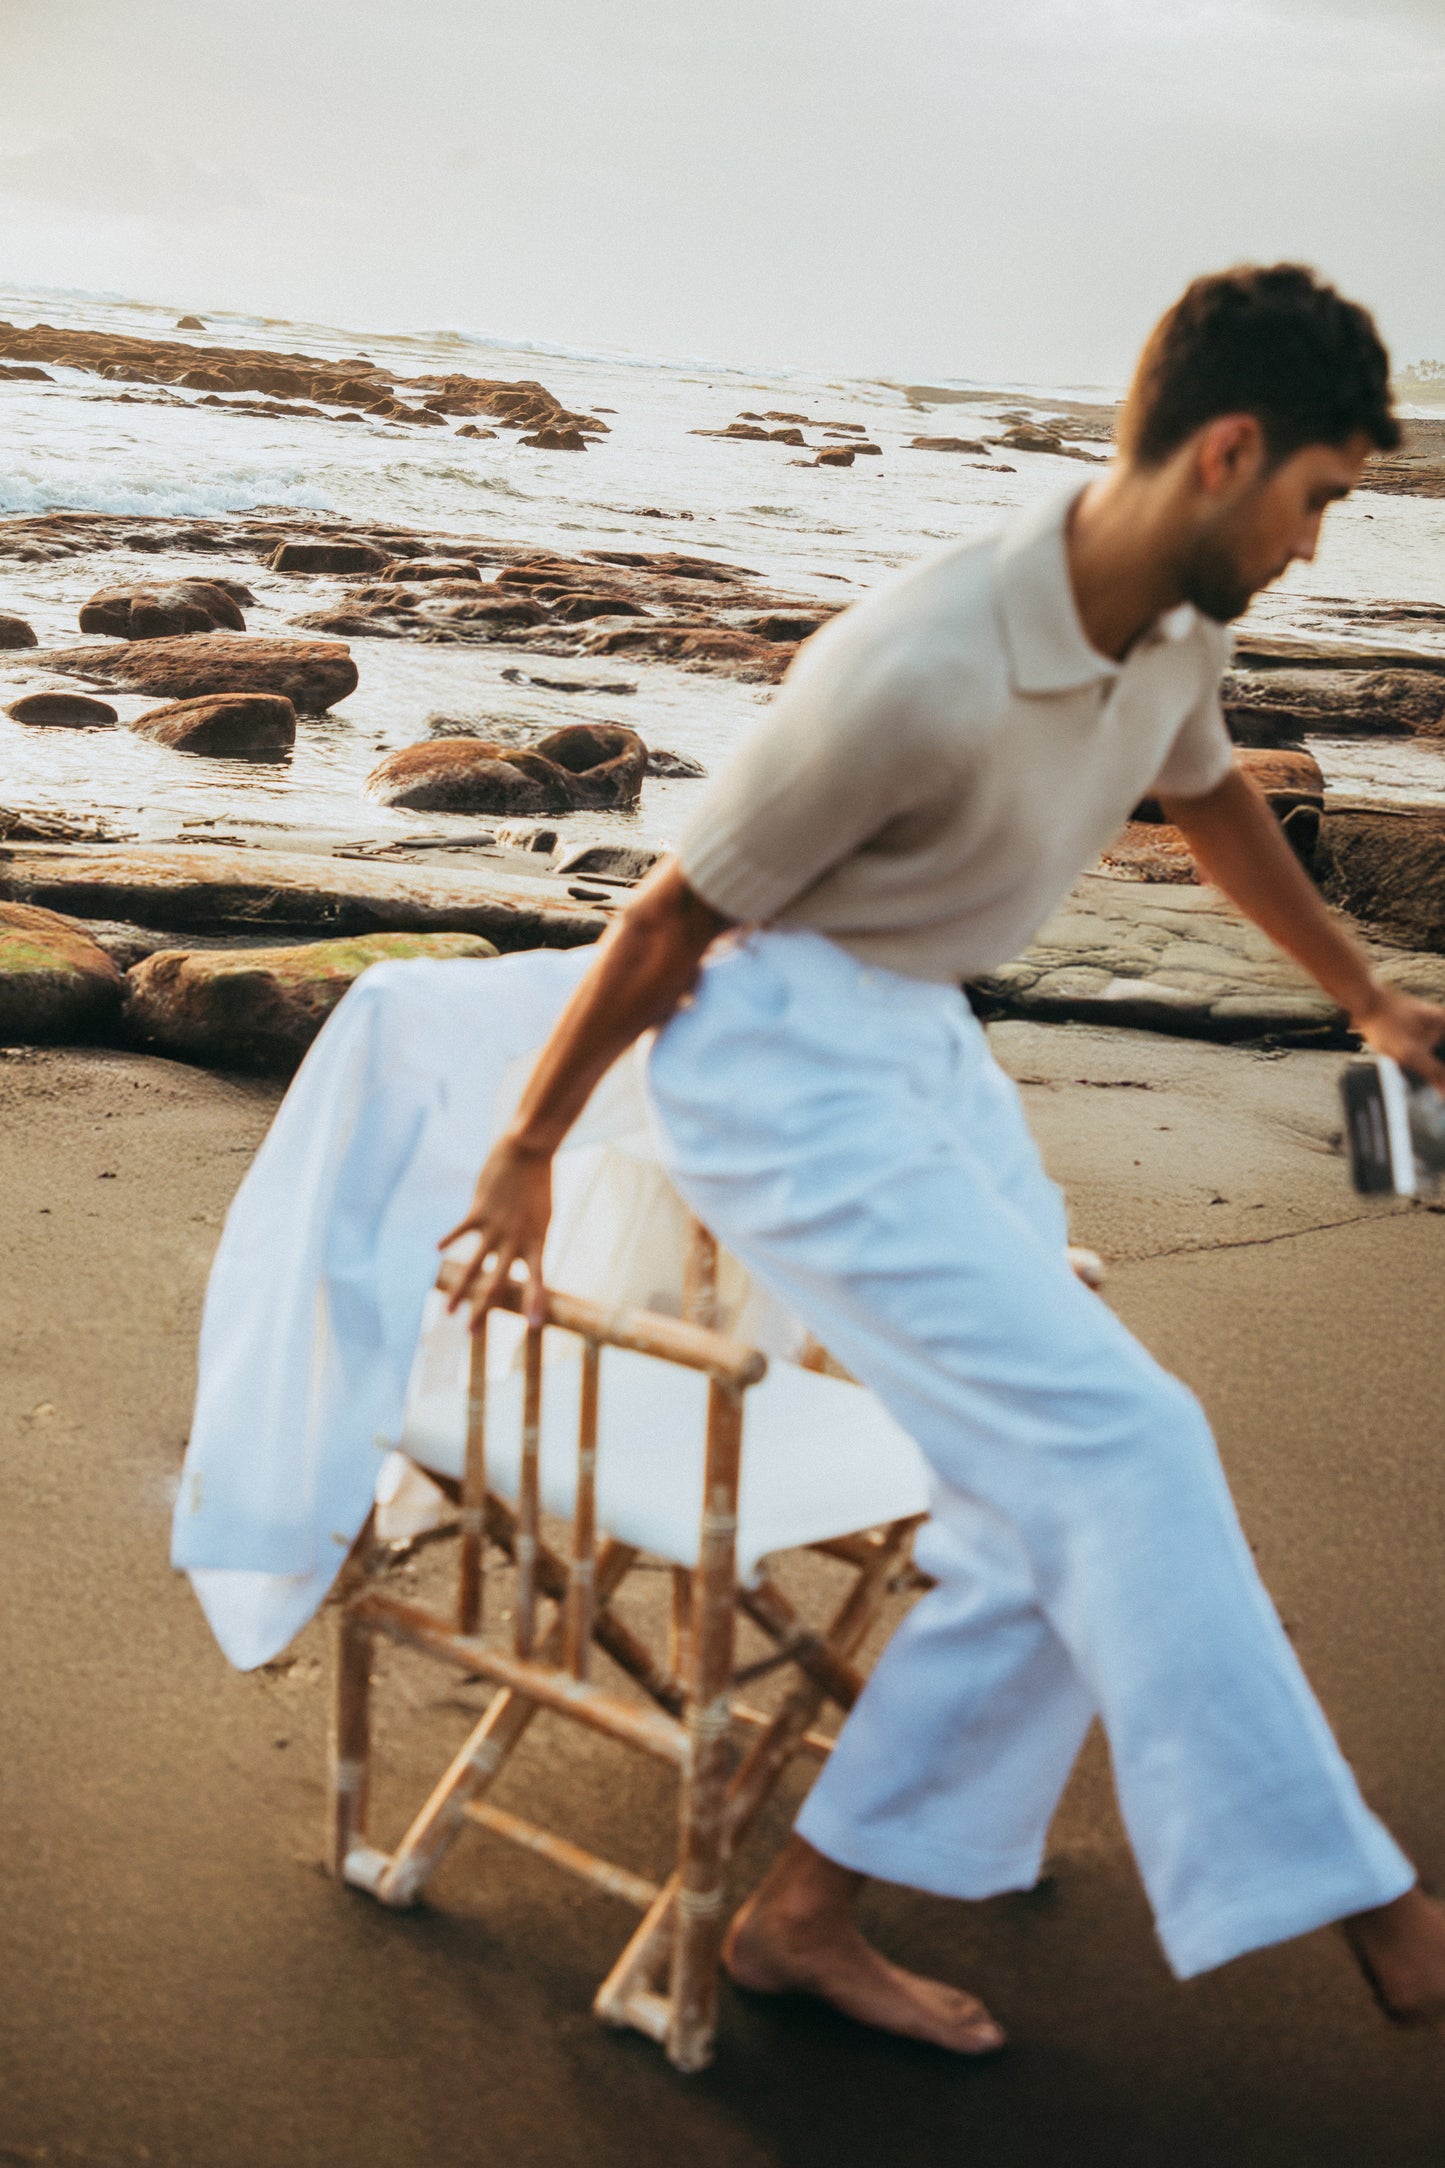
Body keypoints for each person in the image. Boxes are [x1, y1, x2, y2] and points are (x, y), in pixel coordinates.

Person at [442, 264, 1445, 2053]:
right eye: (1321, 498)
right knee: (1121, 1438)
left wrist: (1364, 996)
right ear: (1229, 452)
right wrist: (526, 1145)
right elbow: (669, 925)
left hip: (920, 1051)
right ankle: (1368, 1904)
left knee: (1045, 1492)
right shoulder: (914, 663)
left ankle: (801, 1914)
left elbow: (1208, 798)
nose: (1317, 546)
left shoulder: (1175, 621)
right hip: (773, 1075)